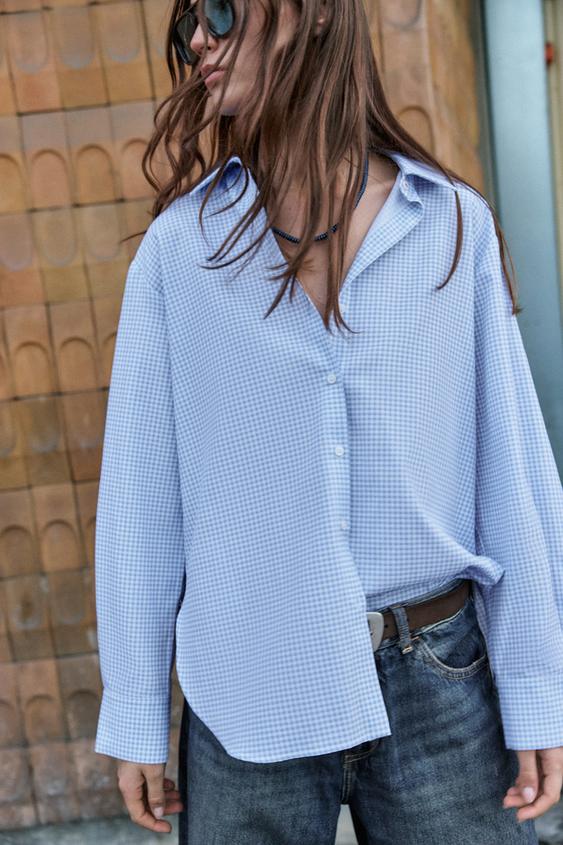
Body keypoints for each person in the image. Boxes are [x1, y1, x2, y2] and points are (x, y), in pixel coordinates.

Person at [93, 0, 563, 842]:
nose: (199, 39)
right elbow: (139, 502)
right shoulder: (178, 253)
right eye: (190, 20)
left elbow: (513, 475)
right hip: (245, 685)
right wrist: (133, 710)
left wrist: (539, 688)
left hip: (439, 679)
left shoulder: (447, 225)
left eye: (221, 10)